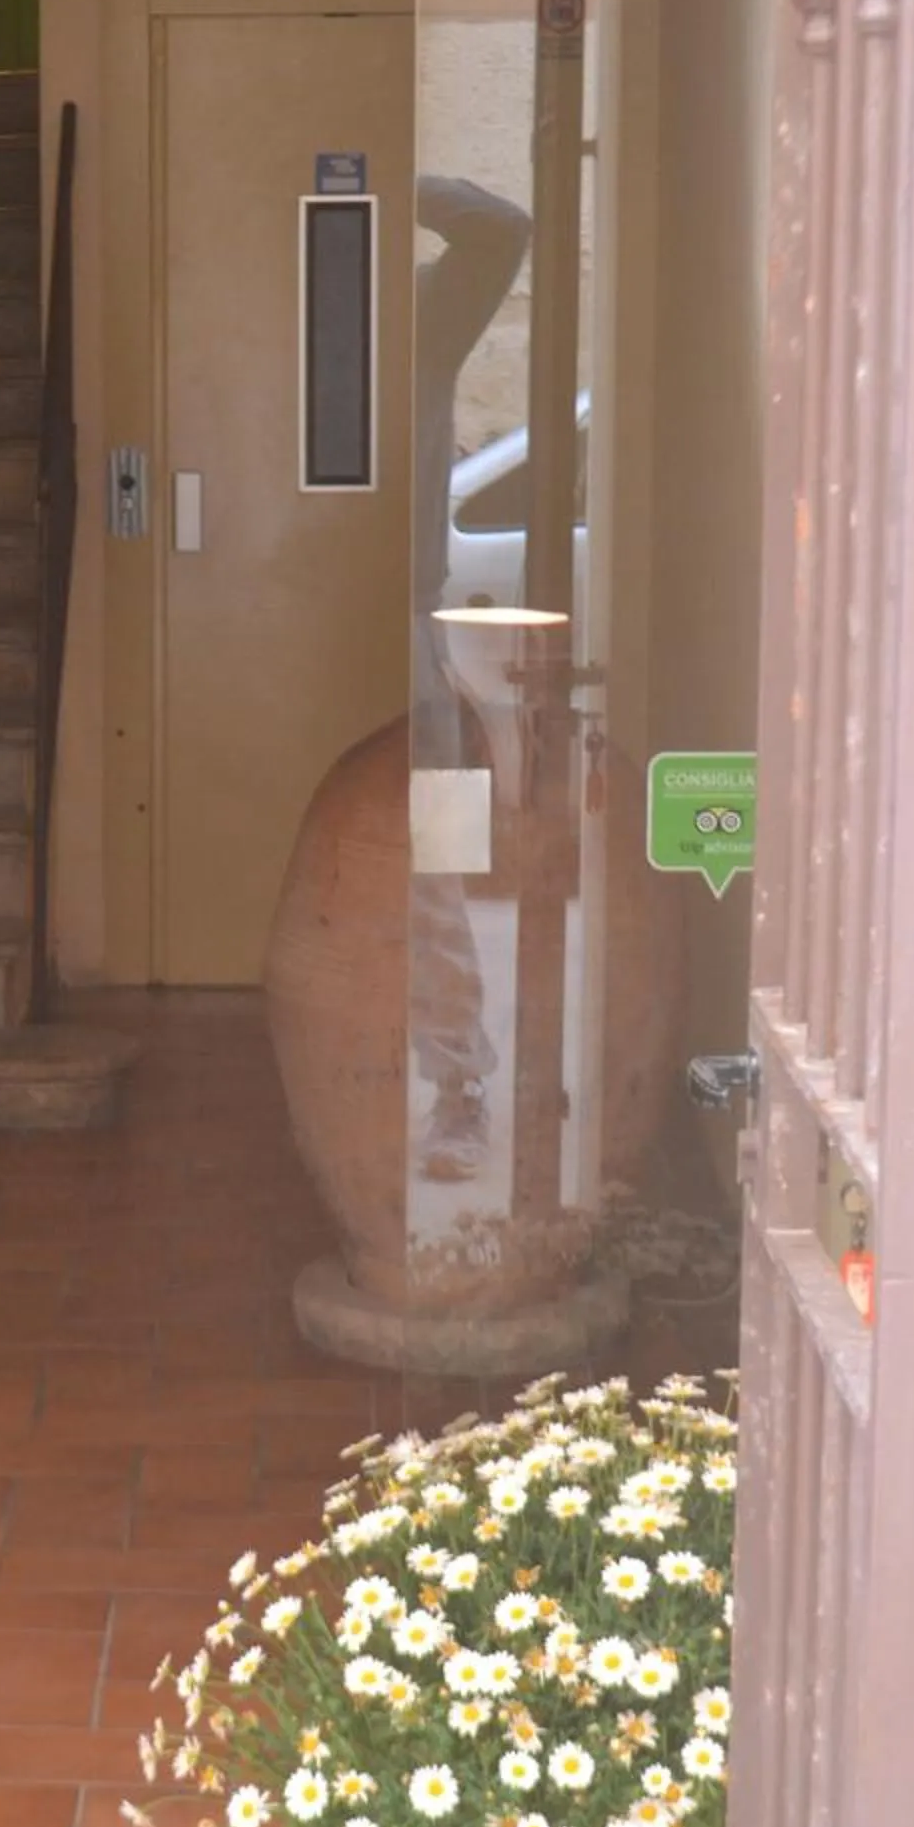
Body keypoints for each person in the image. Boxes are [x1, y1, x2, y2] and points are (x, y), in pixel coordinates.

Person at [409, 176, 531, 1184]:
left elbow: (500, 228)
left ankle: (459, 1090)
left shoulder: (422, 315)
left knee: (436, 863)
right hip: (289, 640)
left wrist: (388, 181)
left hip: (412, 640)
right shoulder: (262, 311)